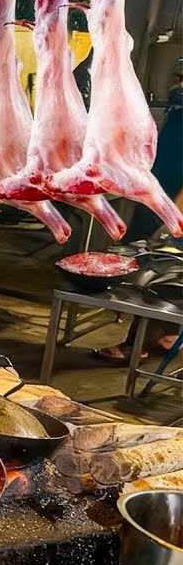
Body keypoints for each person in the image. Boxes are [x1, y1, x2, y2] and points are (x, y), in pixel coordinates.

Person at [95, 57, 183, 362]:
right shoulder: (178, 110)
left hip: (170, 207)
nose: (178, 84)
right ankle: (169, 333)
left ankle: (135, 346)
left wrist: (173, 219)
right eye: (178, 76)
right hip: (158, 194)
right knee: (160, 273)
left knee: (157, 277)